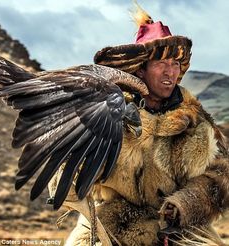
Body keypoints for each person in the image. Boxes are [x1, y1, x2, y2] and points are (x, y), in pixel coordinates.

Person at [66, 3, 229, 246]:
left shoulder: (198, 119)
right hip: (111, 222)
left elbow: (222, 172)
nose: (170, 72)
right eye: (161, 64)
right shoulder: (107, 111)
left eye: (175, 64)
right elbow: (73, 174)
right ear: (141, 70)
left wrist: (186, 203)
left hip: (179, 228)